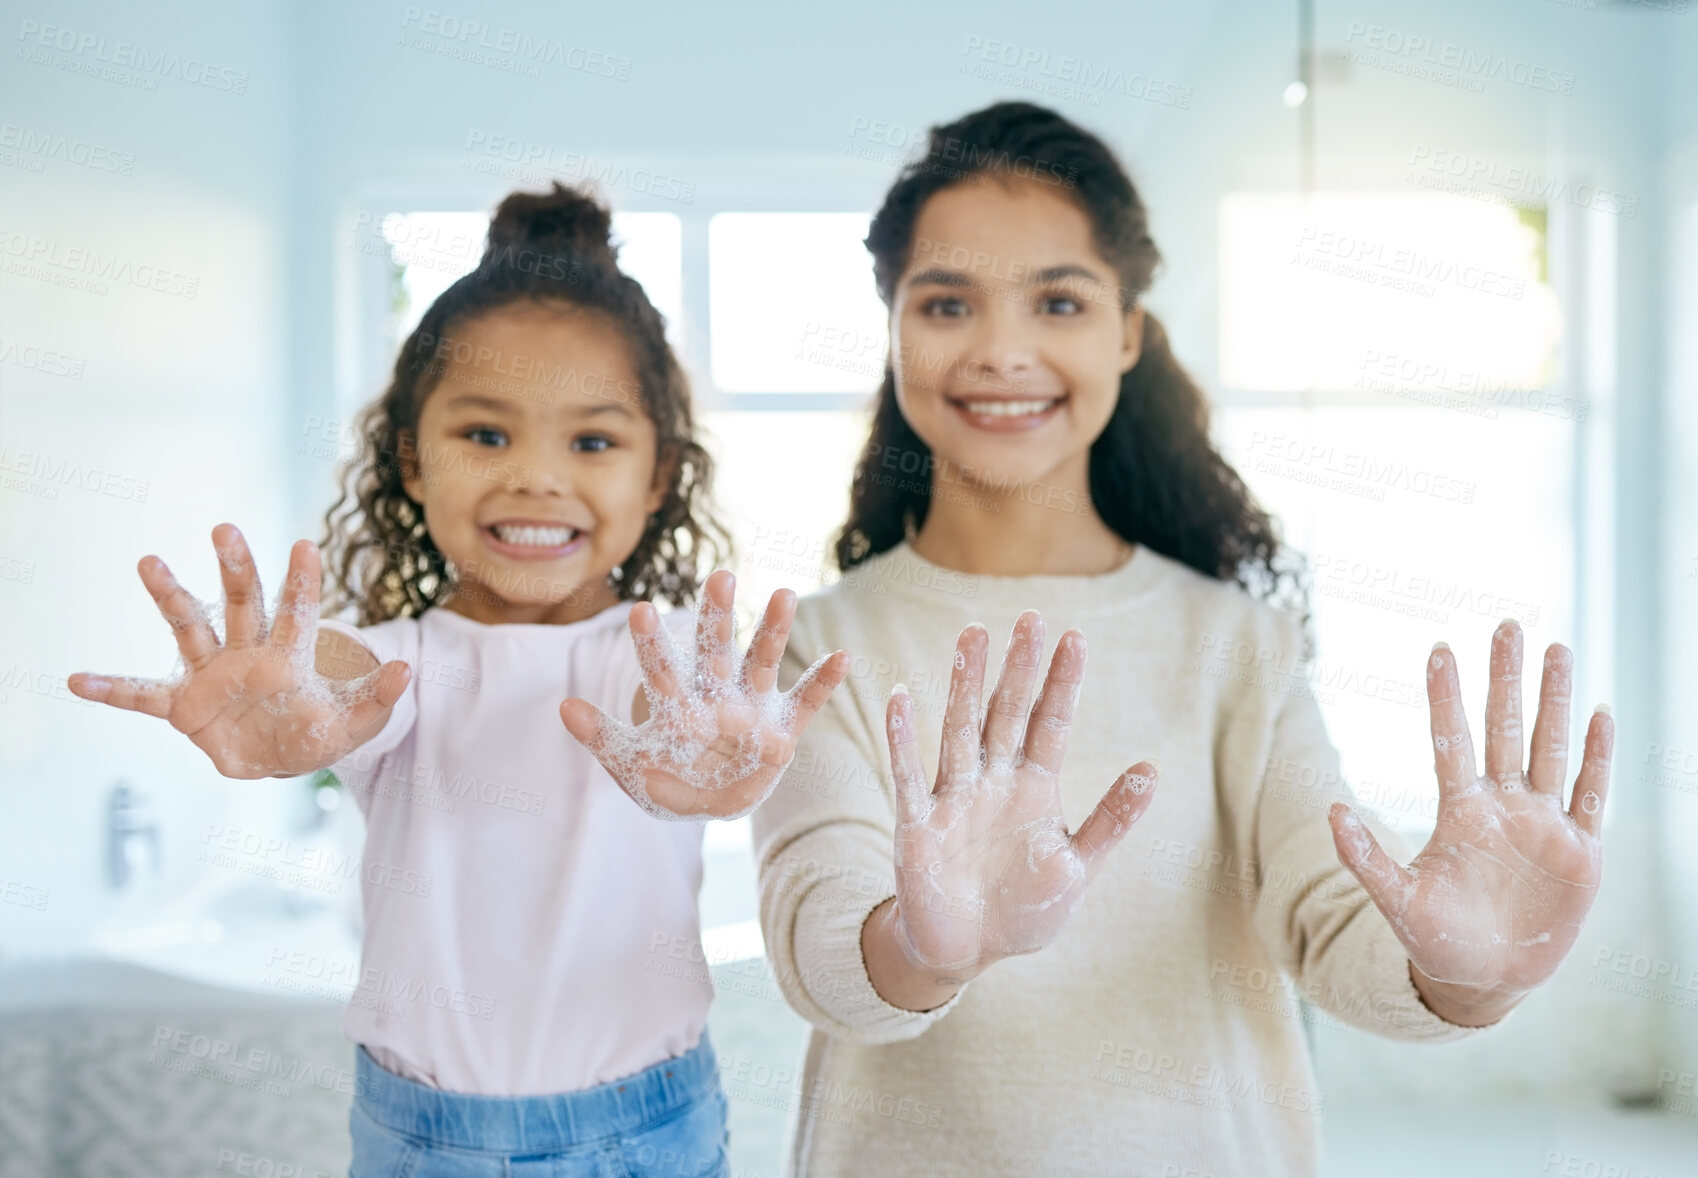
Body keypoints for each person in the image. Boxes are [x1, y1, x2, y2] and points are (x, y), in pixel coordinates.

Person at [750, 102, 1615, 1177]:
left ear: (1126, 331)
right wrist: (927, 943)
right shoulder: (825, 643)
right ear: (893, 328)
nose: (1001, 350)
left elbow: (1330, 912)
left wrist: (1469, 973)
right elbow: (816, 945)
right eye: (947, 302)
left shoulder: (1235, 644)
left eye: (1057, 300)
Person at [68, 181, 848, 1177]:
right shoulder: (398, 665)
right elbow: (343, 682)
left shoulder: (654, 653)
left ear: (657, 478)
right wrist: (290, 687)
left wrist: (694, 740)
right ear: (413, 461)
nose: (533, 475)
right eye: (486, 434)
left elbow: (666, 703)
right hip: (421, 1140)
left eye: (593, 441)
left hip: (646, 1130)